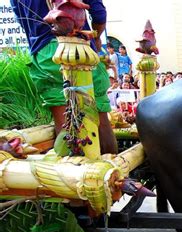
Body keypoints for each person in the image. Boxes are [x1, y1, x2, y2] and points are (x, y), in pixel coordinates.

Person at [11, 0, 117, 154]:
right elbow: (99, 13)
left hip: (46, 53)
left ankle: (74, 175)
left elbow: (22, 20)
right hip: (84, 47)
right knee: (101, 119)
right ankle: (113, 174)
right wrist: (97, 36)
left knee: (65, 121)